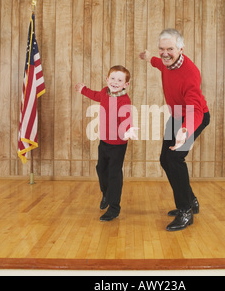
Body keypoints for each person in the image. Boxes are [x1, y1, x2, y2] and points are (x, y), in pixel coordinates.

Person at [139, 29, 210, 231]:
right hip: (178, 114)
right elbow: (158, 63)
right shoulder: (165, 62)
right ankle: (191, 200)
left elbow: (196, 109)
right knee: (165, 159)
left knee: (175, 158)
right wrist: (147, 57)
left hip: (194, 117)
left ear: (181, 48)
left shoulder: (190, 74)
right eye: (162, 49)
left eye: (170, 49)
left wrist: (185, 131)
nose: (165, 53)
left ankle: (185, 211)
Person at [75, 65, 138, 222]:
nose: (115, 82)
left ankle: (114, 208)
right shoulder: (105, 92)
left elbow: (126, 118)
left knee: (114, 174)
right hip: (104, 140)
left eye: (120, 80)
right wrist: (83, 89)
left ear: (126, 84)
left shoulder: (125, 100)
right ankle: (106, 194)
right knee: (101, 169)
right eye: (113, 79)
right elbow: (95, 95)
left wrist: (129, 130)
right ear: (107, 79)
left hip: (118, 144)